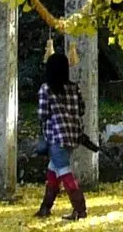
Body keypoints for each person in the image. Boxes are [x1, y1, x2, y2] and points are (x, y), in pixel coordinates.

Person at [36, 48, 91, 220]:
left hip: (55, 137)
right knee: (53, 171)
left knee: (64, 172)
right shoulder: (74, 88)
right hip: (72, 137)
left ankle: (80, 209)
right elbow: (81, 110)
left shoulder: (46, 89)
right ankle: (45, 207)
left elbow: (43, 114)